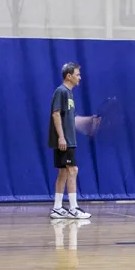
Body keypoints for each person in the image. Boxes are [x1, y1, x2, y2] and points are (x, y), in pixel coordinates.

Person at [49, 63, 98, 220]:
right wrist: (62, 137)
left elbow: (72, 119)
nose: (80, 77)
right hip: (64, 140)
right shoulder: (61, 92)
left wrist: (90, 122)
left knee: (64, 171)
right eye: (77, 74)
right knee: (73, 170)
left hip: (69, 139)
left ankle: (57, 208)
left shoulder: (69, 94)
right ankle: (73, 208)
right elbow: (56, 114)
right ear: (68, 76)